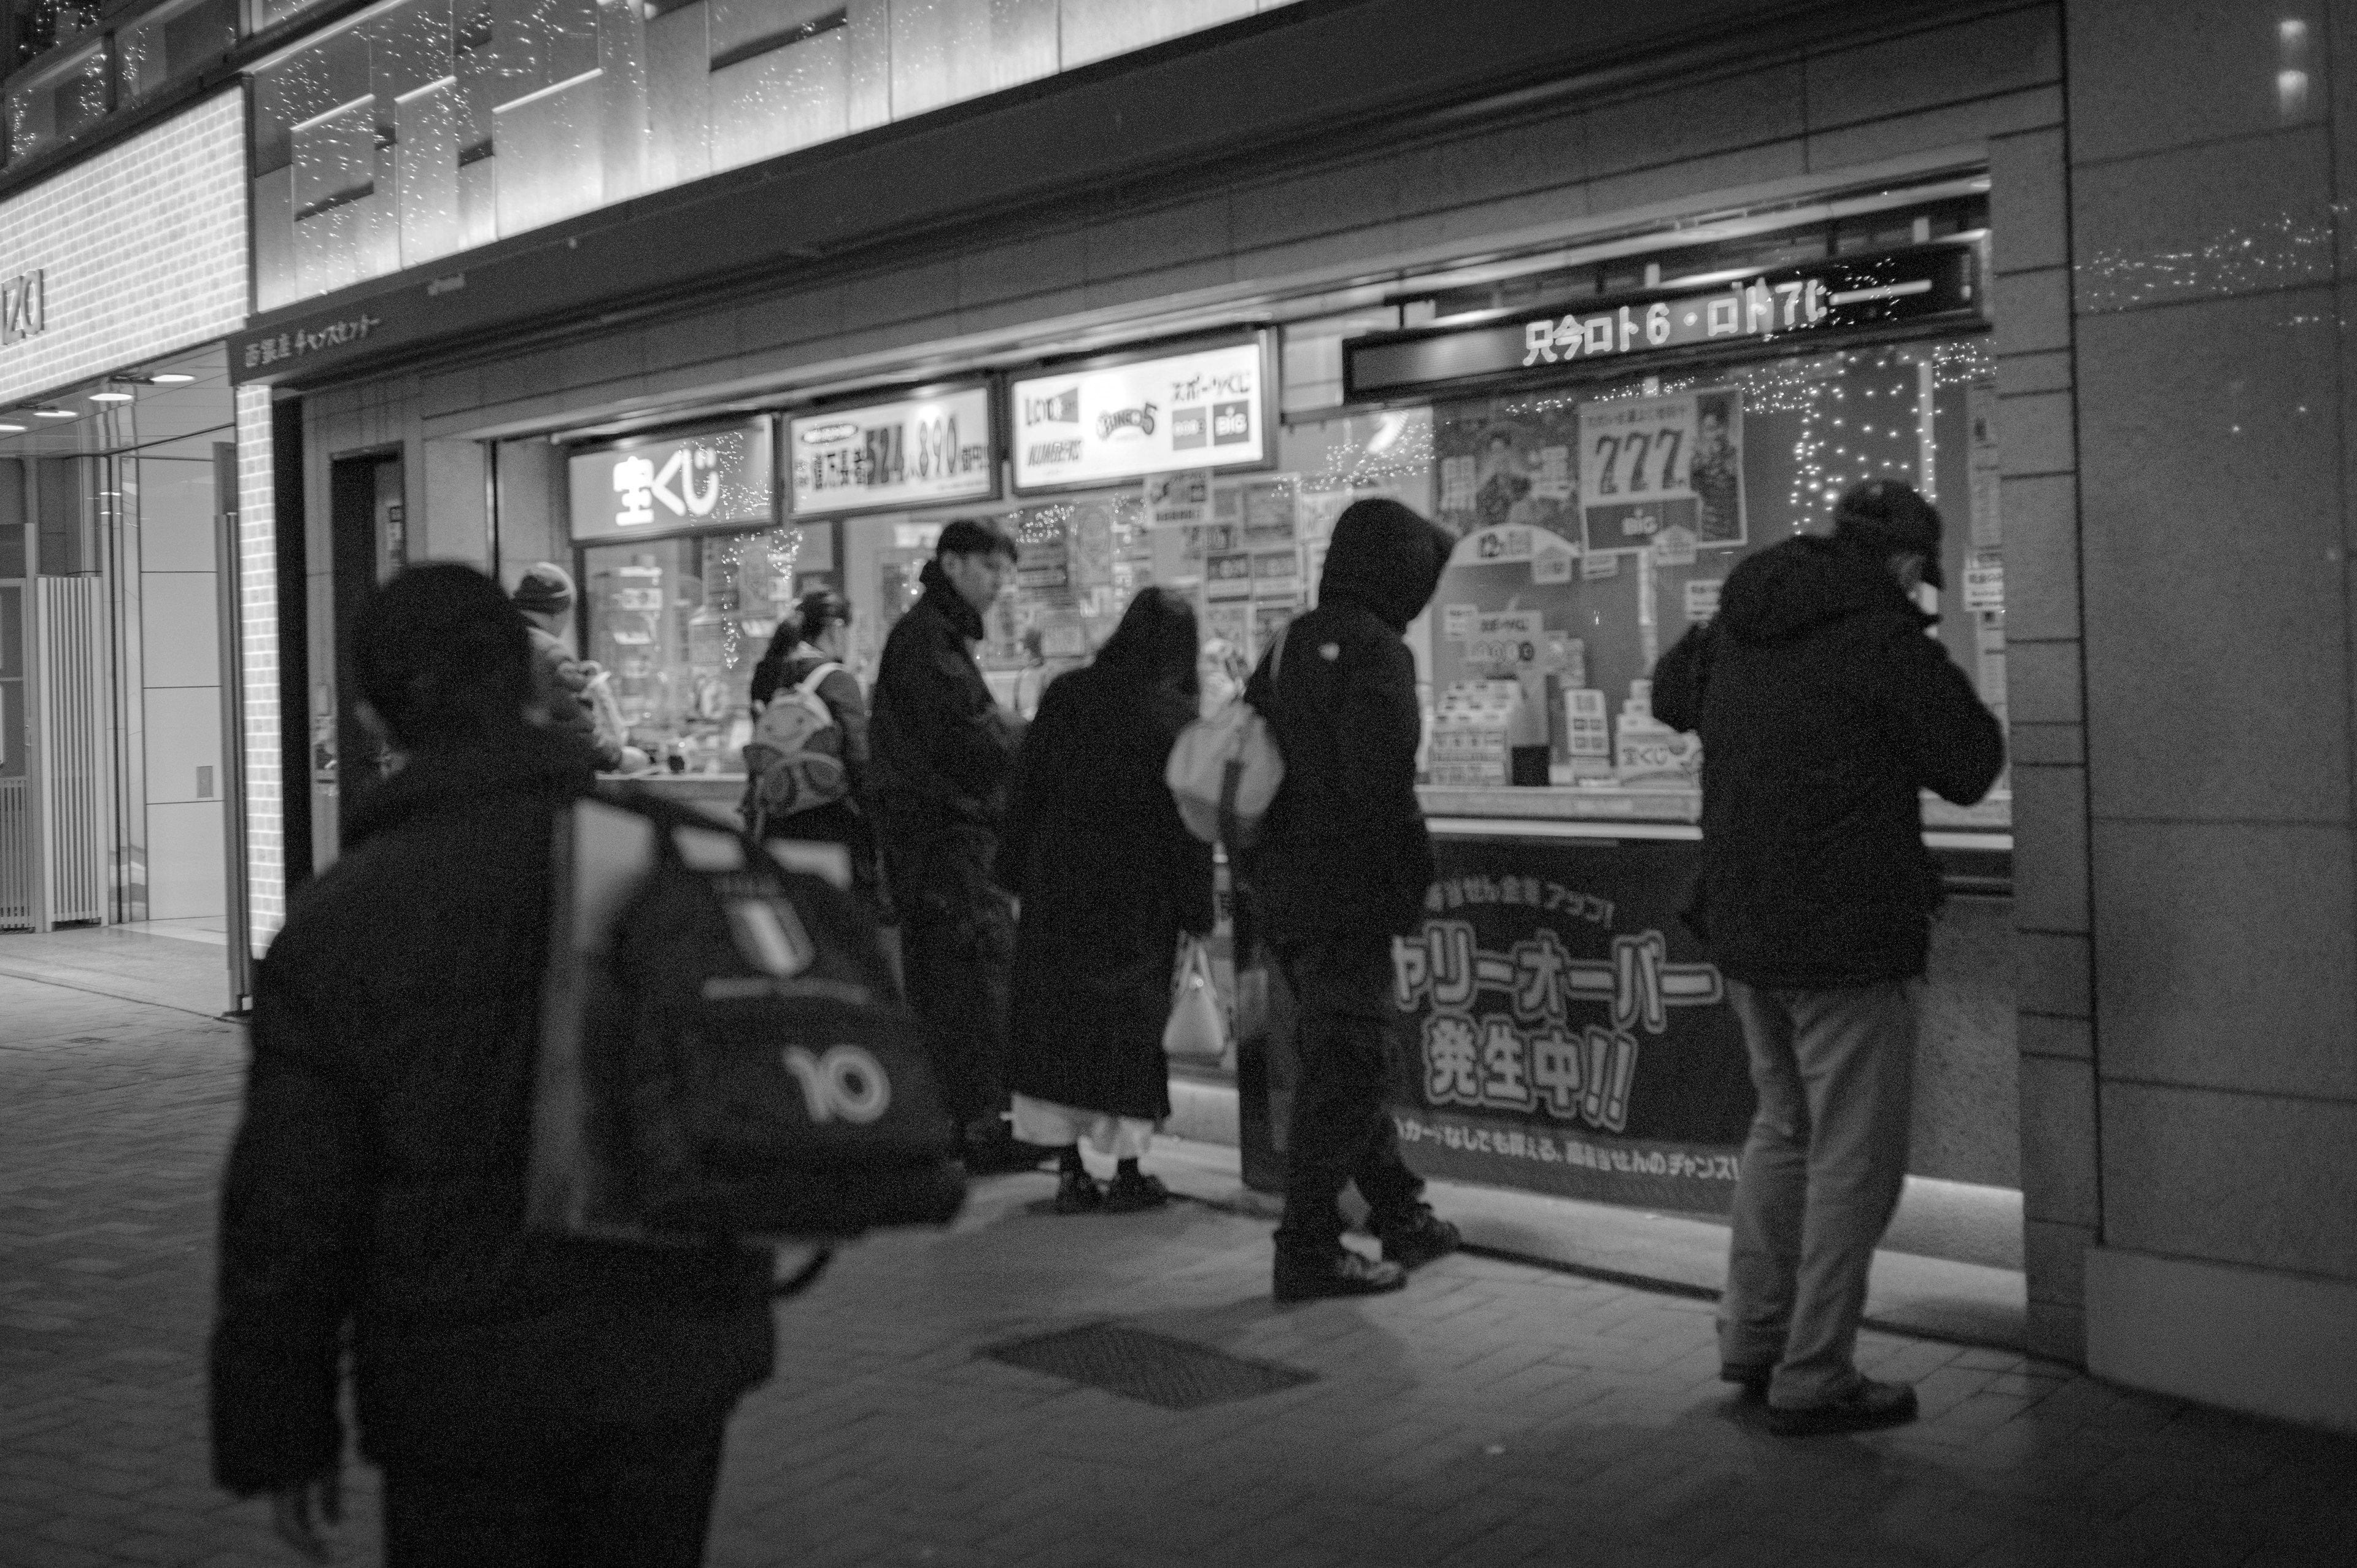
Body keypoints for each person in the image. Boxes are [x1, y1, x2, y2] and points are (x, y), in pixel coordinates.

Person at [209, 564, 774, 1565]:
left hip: (457, 1394)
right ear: (527, 680)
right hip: (663, 1359)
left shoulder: (339, 924)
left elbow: (291, 1205)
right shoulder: (674, 853)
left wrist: (281, 1430)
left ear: (379, 716)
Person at [1651, 478, 2003, 1437]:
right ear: (1902, 565)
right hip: (1845, 935)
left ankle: (1755, 1337)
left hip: (1746, 926)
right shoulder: (1885, 641)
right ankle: (1816, 1370)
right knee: (1854, 1159)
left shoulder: (1739, 618)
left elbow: (1664, 695)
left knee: (1783, 1130)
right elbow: (1974, 763)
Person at [1244, 497, 1463, 1302]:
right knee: (1348, 1064)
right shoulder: (1375, 651)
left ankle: (1402, 1210)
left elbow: (1251, 768)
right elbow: (1382, 787)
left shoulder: (1286, 644)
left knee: (1345, 1053)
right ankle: (1307, 1245)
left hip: (1287, 895)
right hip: (1349, 896)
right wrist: (1411, 875)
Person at [999, 588, 1216, 1215]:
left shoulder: (1067, 696)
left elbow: (1026, 792)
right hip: (1136, 901)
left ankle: (1068, 1170)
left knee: (1056, 1027)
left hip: (1058, 888)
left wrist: (1012, 875)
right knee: (1126, 1034)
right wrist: (1196, 913)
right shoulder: (1175, 718)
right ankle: (1127, 1169)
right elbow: (1191, 830)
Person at [868, 518, 1031, 1173]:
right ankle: (977, 1126)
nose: (999, 585)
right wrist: (1028, 734)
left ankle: (960, 1120)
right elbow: (973, 741)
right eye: (991, 569)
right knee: (971, 978)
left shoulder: (932, 636)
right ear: (954, 563)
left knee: (953, 980)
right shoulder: (929, 642)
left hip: (933, 846)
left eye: (1004, 572)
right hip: (948, 845)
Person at [746, 587, 881, 913]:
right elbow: (859, 759)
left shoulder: (767, 673)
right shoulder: (838, 679)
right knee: (842, 928)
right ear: (836, 628)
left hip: (777, 819)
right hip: (833, 824)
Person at [513, 561, 625, 771]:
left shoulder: (490, 642)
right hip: (537, 786)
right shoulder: (551, 653)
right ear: (559, 612)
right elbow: (580, 734)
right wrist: (620, 758)